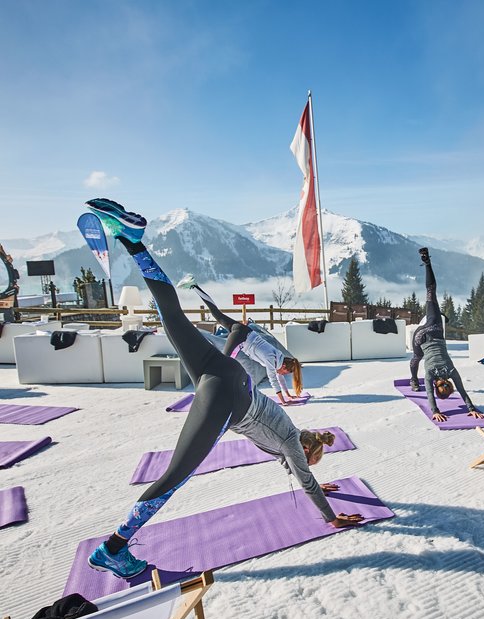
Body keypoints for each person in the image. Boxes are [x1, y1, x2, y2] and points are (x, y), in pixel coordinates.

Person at [83, 198, 363, 579]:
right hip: (226, 398)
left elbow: (299, 471)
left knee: (173, 315)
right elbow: (304, 477)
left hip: (221, 370)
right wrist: (331, 518)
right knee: (174, 476)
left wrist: (321, 484)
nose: (304, 465)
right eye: (310, 461)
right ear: (307, 450)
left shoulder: (289, 435)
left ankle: (133, 241)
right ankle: (112, 549)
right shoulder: (292, 445)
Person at [176, 275, 301, 405]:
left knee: (217, 314)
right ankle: (212, 391)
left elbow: (279, 379)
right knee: (224, 360)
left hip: (242, 333)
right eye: (285, 372)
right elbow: (273, 380)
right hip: (241, 336)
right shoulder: (272, 358)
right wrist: (283, 401)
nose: (283, 374)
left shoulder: (278, 359)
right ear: (284, 366)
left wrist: (288, 395)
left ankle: (194, 286)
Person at [409, 248, 484, 423]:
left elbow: (462, 390)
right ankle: (414, 381)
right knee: (416, 357)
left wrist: (471, 407)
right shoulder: (429, 375)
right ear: (438, 385)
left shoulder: (451, 371)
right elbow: (429, 393)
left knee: (431, 291)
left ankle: (426, 261)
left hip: (434, 328)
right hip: (420, 338)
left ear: (449, 384)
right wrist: (434, 411)